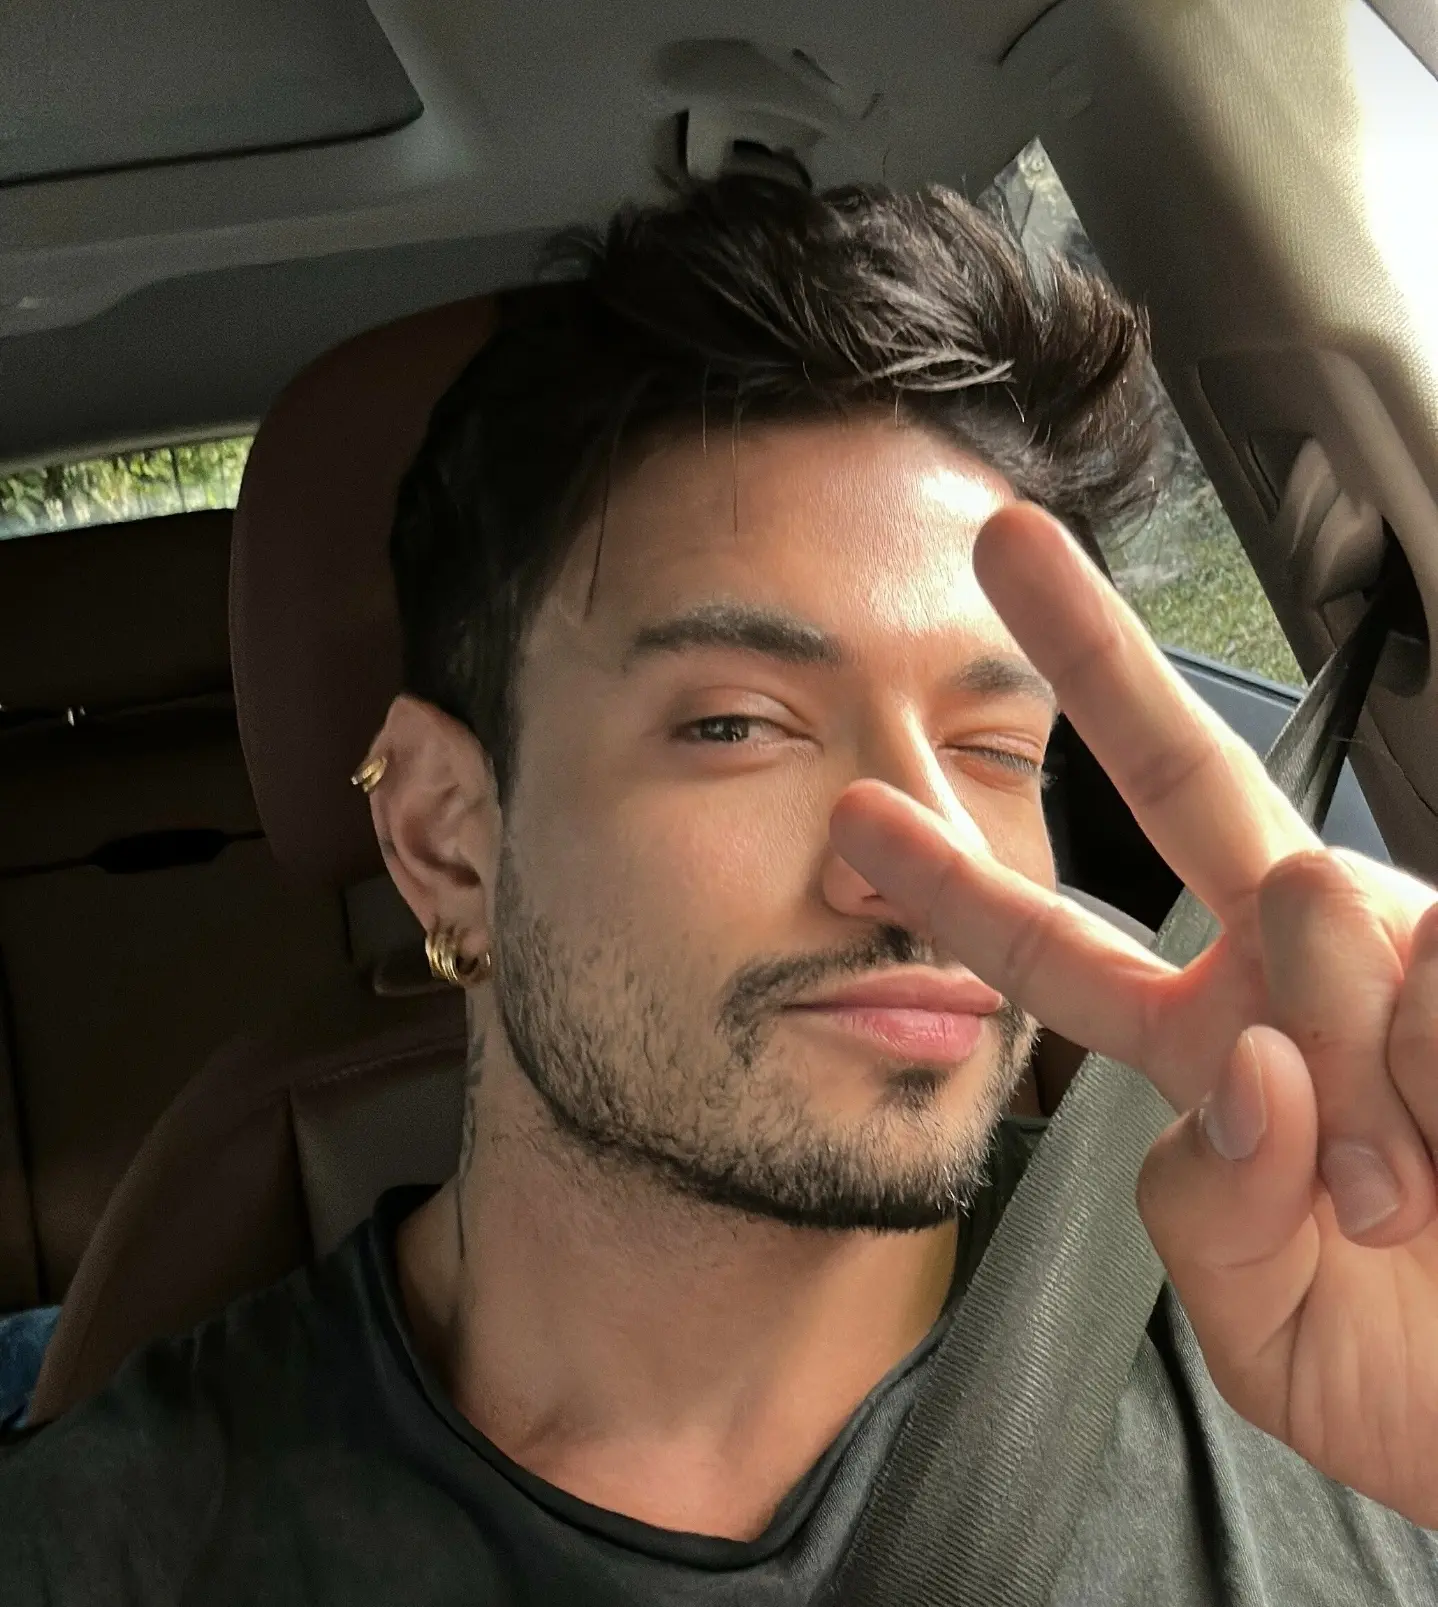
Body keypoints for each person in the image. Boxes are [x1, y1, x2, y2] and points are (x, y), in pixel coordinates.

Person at [4, 175, 1438, 1605]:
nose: (923, 867)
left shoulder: (1334, 1338)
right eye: (737, 725)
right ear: (445, 840)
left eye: (999, 749)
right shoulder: (94, 1550)